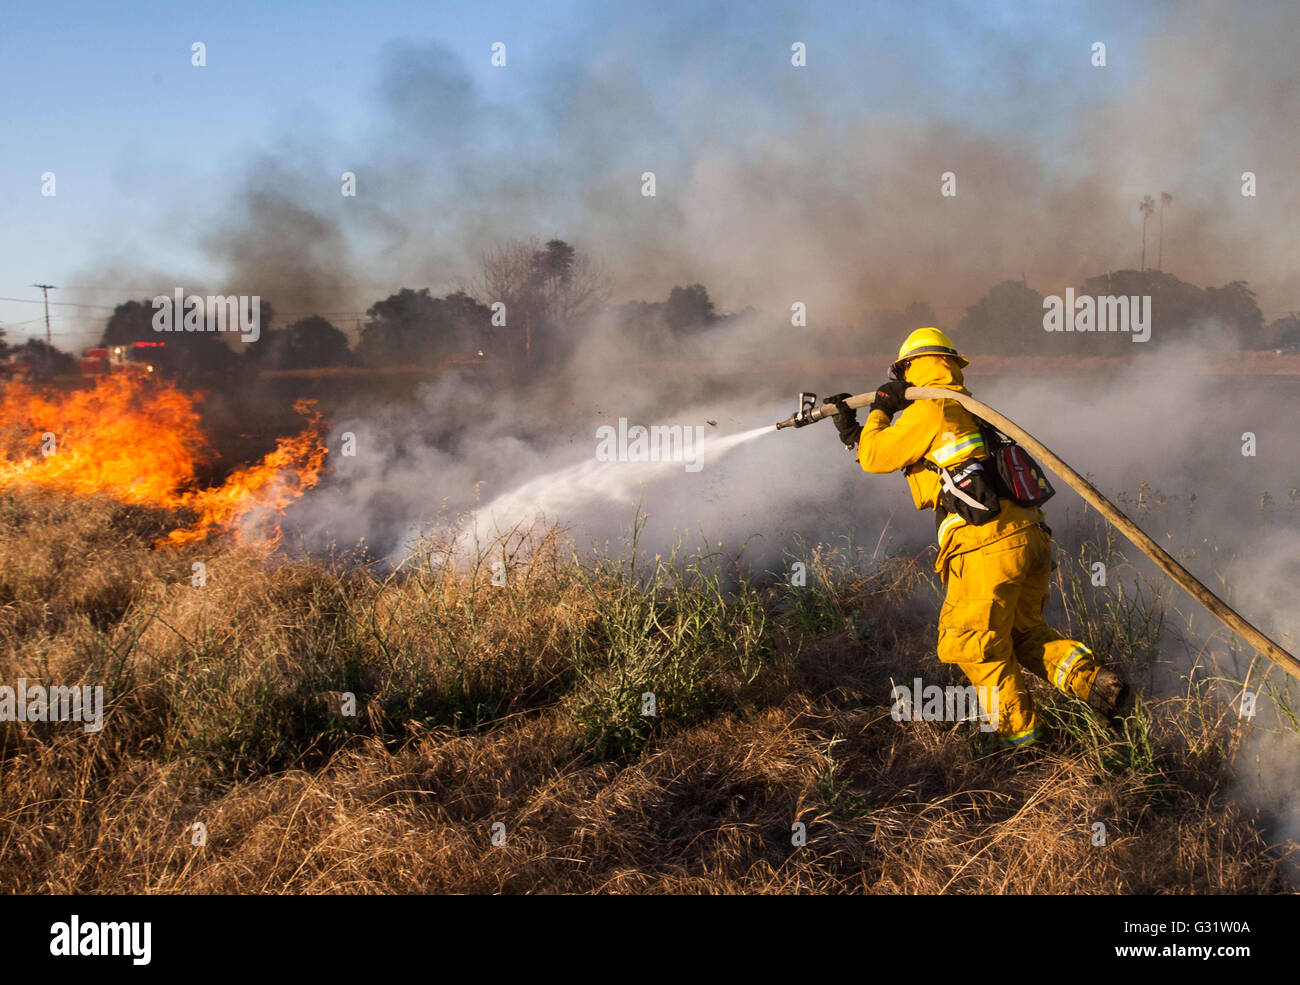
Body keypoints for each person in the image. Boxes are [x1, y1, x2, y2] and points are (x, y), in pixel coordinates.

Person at [827, 328, 1130, 748]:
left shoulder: (930, 409)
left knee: (973, 644)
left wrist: (880, 408)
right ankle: (1095, 684)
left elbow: (876, 457)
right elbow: (891, 451)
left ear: (909, 368)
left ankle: (1022, 743)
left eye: (900, 374)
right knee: (1021, 632)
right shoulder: (972, 409)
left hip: (988, 545)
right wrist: (853, 435)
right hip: (1030, 537)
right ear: (952, 364)